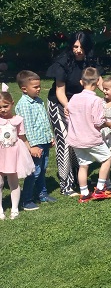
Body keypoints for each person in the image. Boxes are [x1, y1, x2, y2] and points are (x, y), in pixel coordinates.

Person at [46, 31, 103, 196]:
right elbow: (59, 91)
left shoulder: (90, 61)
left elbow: (98, 81)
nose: (78, 50)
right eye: (75, 46)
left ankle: (79, 178)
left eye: (82, 47)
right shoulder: (63, 62)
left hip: (79, 105)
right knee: (65, 142)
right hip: (59, 104)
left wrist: (110, 93)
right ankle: (66, 185)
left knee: (77, 141)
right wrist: (69, 106)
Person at [66, 67, 111, 203]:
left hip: (76, 139)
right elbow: (98, 121)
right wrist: (108, 123)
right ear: (98, 81)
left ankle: (84, 193)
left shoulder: (74, 98)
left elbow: (68, 113)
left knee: (83, 165)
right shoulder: (96, 100)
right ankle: (100, 188)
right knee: (107, 158)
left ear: (81, 82)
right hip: (92, 138)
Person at [15, 71, 56, 211]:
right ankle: (26, 200)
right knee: (34, 171)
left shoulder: (38, 101)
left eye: (39, 86)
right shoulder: (24, 105)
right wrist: (32, 147)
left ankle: (42, 194)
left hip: (43, 140)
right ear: (24, 89)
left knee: (43, 169)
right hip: (34, 144)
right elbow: (26, 128)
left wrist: (50, 136)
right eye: (35, 87)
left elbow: (44, 120)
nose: (38, 89)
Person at [0, 90, 36, 219]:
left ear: (12, 104)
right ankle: (0, 209)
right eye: (0, 107)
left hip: (14, 153)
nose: (3, 110)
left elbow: (22, 136)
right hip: (1, 153)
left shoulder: (17, 120)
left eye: (5, 106)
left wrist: (30, 148)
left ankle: (14, 208)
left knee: (13, 181)